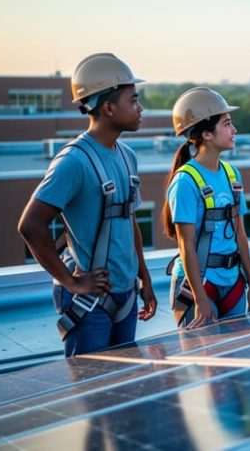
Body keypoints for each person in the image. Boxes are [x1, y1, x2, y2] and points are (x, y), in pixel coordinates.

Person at [18, 53, 157, 356]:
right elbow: (30, 225)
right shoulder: (73, 162)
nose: (140, 107)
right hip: (90, 303)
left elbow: (128, 219)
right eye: (133, 100)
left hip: (126, 294)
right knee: (93, 394)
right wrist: (71, 282)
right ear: (108, 108)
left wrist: (144, 276)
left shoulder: (127, 157)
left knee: (123, 389)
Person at [163, 87, 250, 329]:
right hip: (200, 285)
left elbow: (240, 235)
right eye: (227, 124)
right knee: (208, 363)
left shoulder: (232, 174)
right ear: (206, 133)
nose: (234, 130)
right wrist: (200, 298)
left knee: (236, 359)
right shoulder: (185, 181)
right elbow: (186, 245)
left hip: (232, 281)